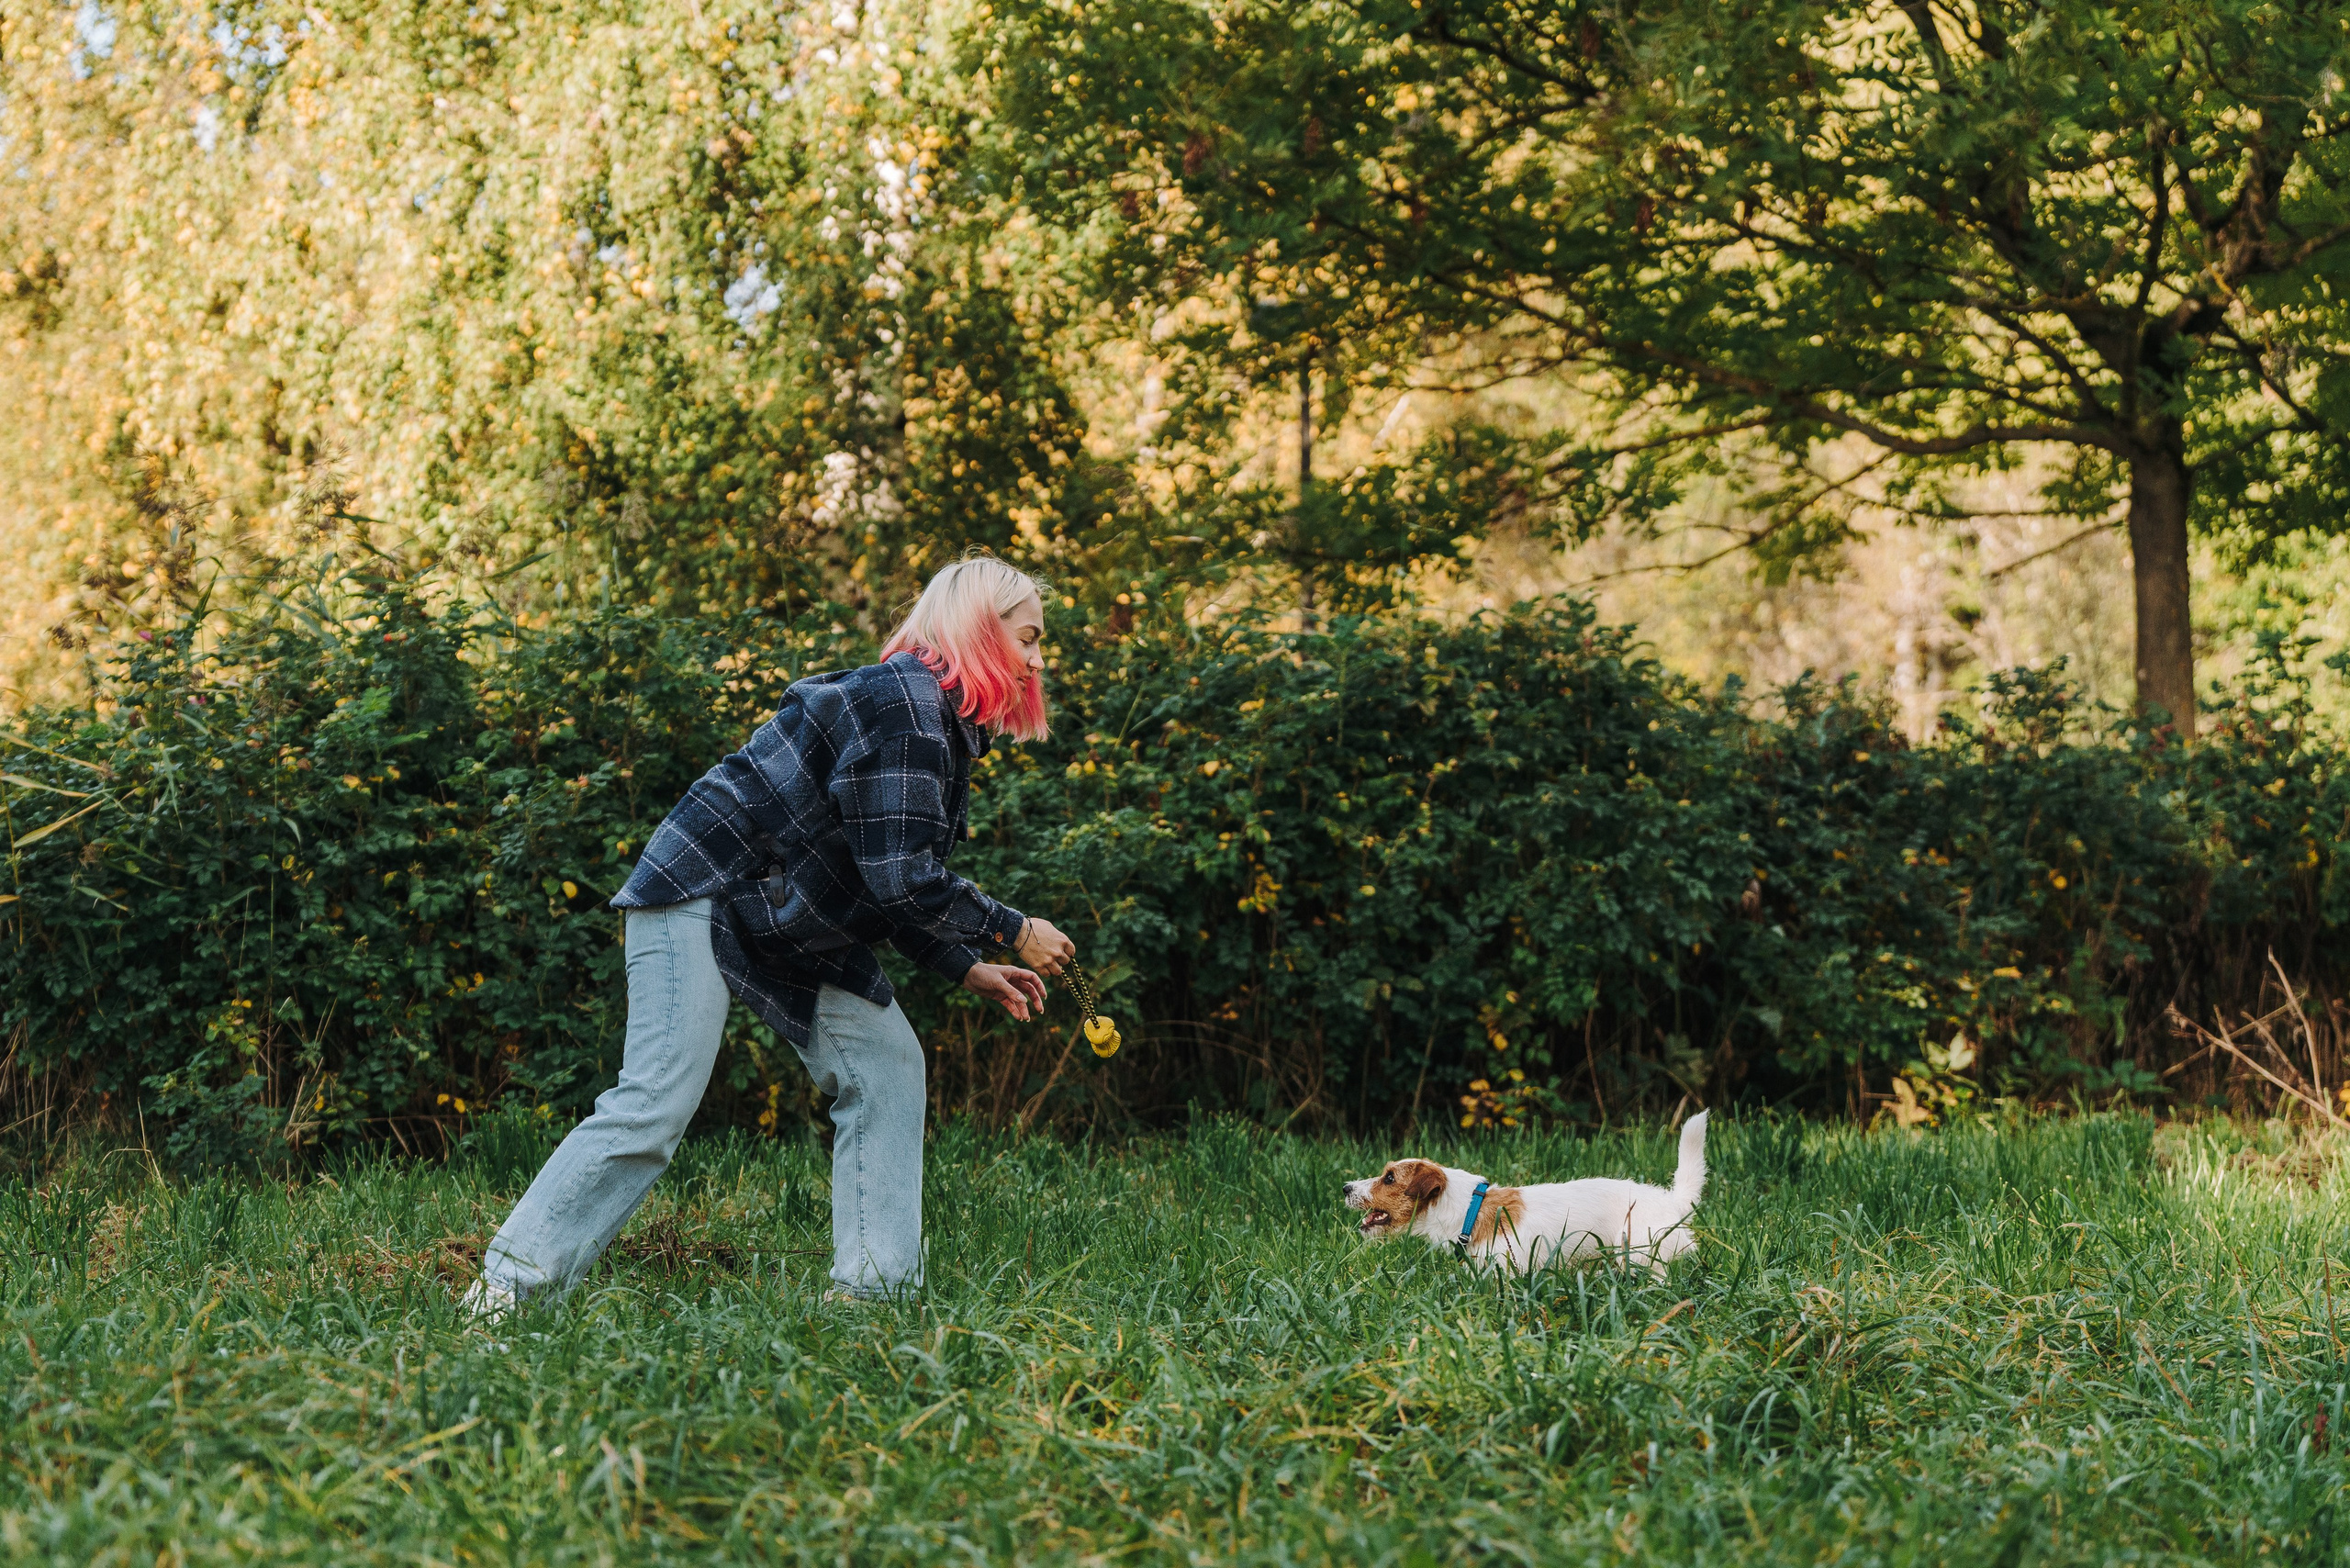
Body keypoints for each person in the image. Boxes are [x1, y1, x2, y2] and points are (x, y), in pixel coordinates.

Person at [464, 556, 1075, 1312]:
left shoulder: (930, 721)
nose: (1038, 660)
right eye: (1029, 638)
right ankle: (504, 1296)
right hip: (700, 887)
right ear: (982, 631)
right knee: (656, 1101)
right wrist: (1012, 932)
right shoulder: (905, 709)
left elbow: (876, 871)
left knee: (886, 1066)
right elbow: (902, 878)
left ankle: (874, 1301)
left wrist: (963, 966)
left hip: (783, 915)